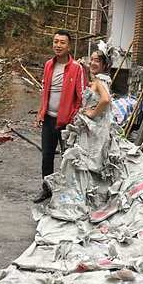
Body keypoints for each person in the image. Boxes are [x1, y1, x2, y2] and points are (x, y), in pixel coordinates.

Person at [33, 29, 87, 203]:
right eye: (55, 41)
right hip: (49, 119)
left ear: (69, 45)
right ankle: (46, 189)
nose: (58, 45)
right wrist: (41, 112)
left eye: (62, 42)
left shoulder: (77, 68)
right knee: (47, 156)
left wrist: (73, 118)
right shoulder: (49, 64)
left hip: (67, 122)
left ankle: (67, 193)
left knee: (67, 157)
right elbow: (45, 90)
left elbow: (82, 96)